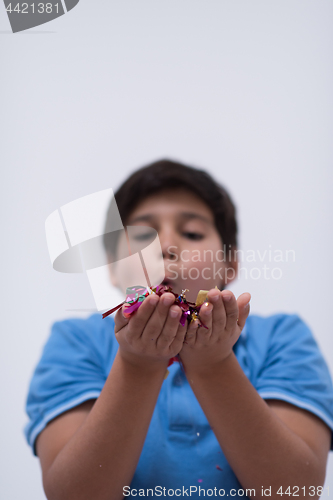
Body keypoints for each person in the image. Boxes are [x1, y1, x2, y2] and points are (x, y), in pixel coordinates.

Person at [24, 159, 333, 500]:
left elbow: (295, 491)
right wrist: (137, 365)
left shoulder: (281, 338)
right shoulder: (75, 342)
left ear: (230, 266)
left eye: (192, 233)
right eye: (142, 235)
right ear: (112, 269)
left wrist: (213, 364)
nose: (166, 246)